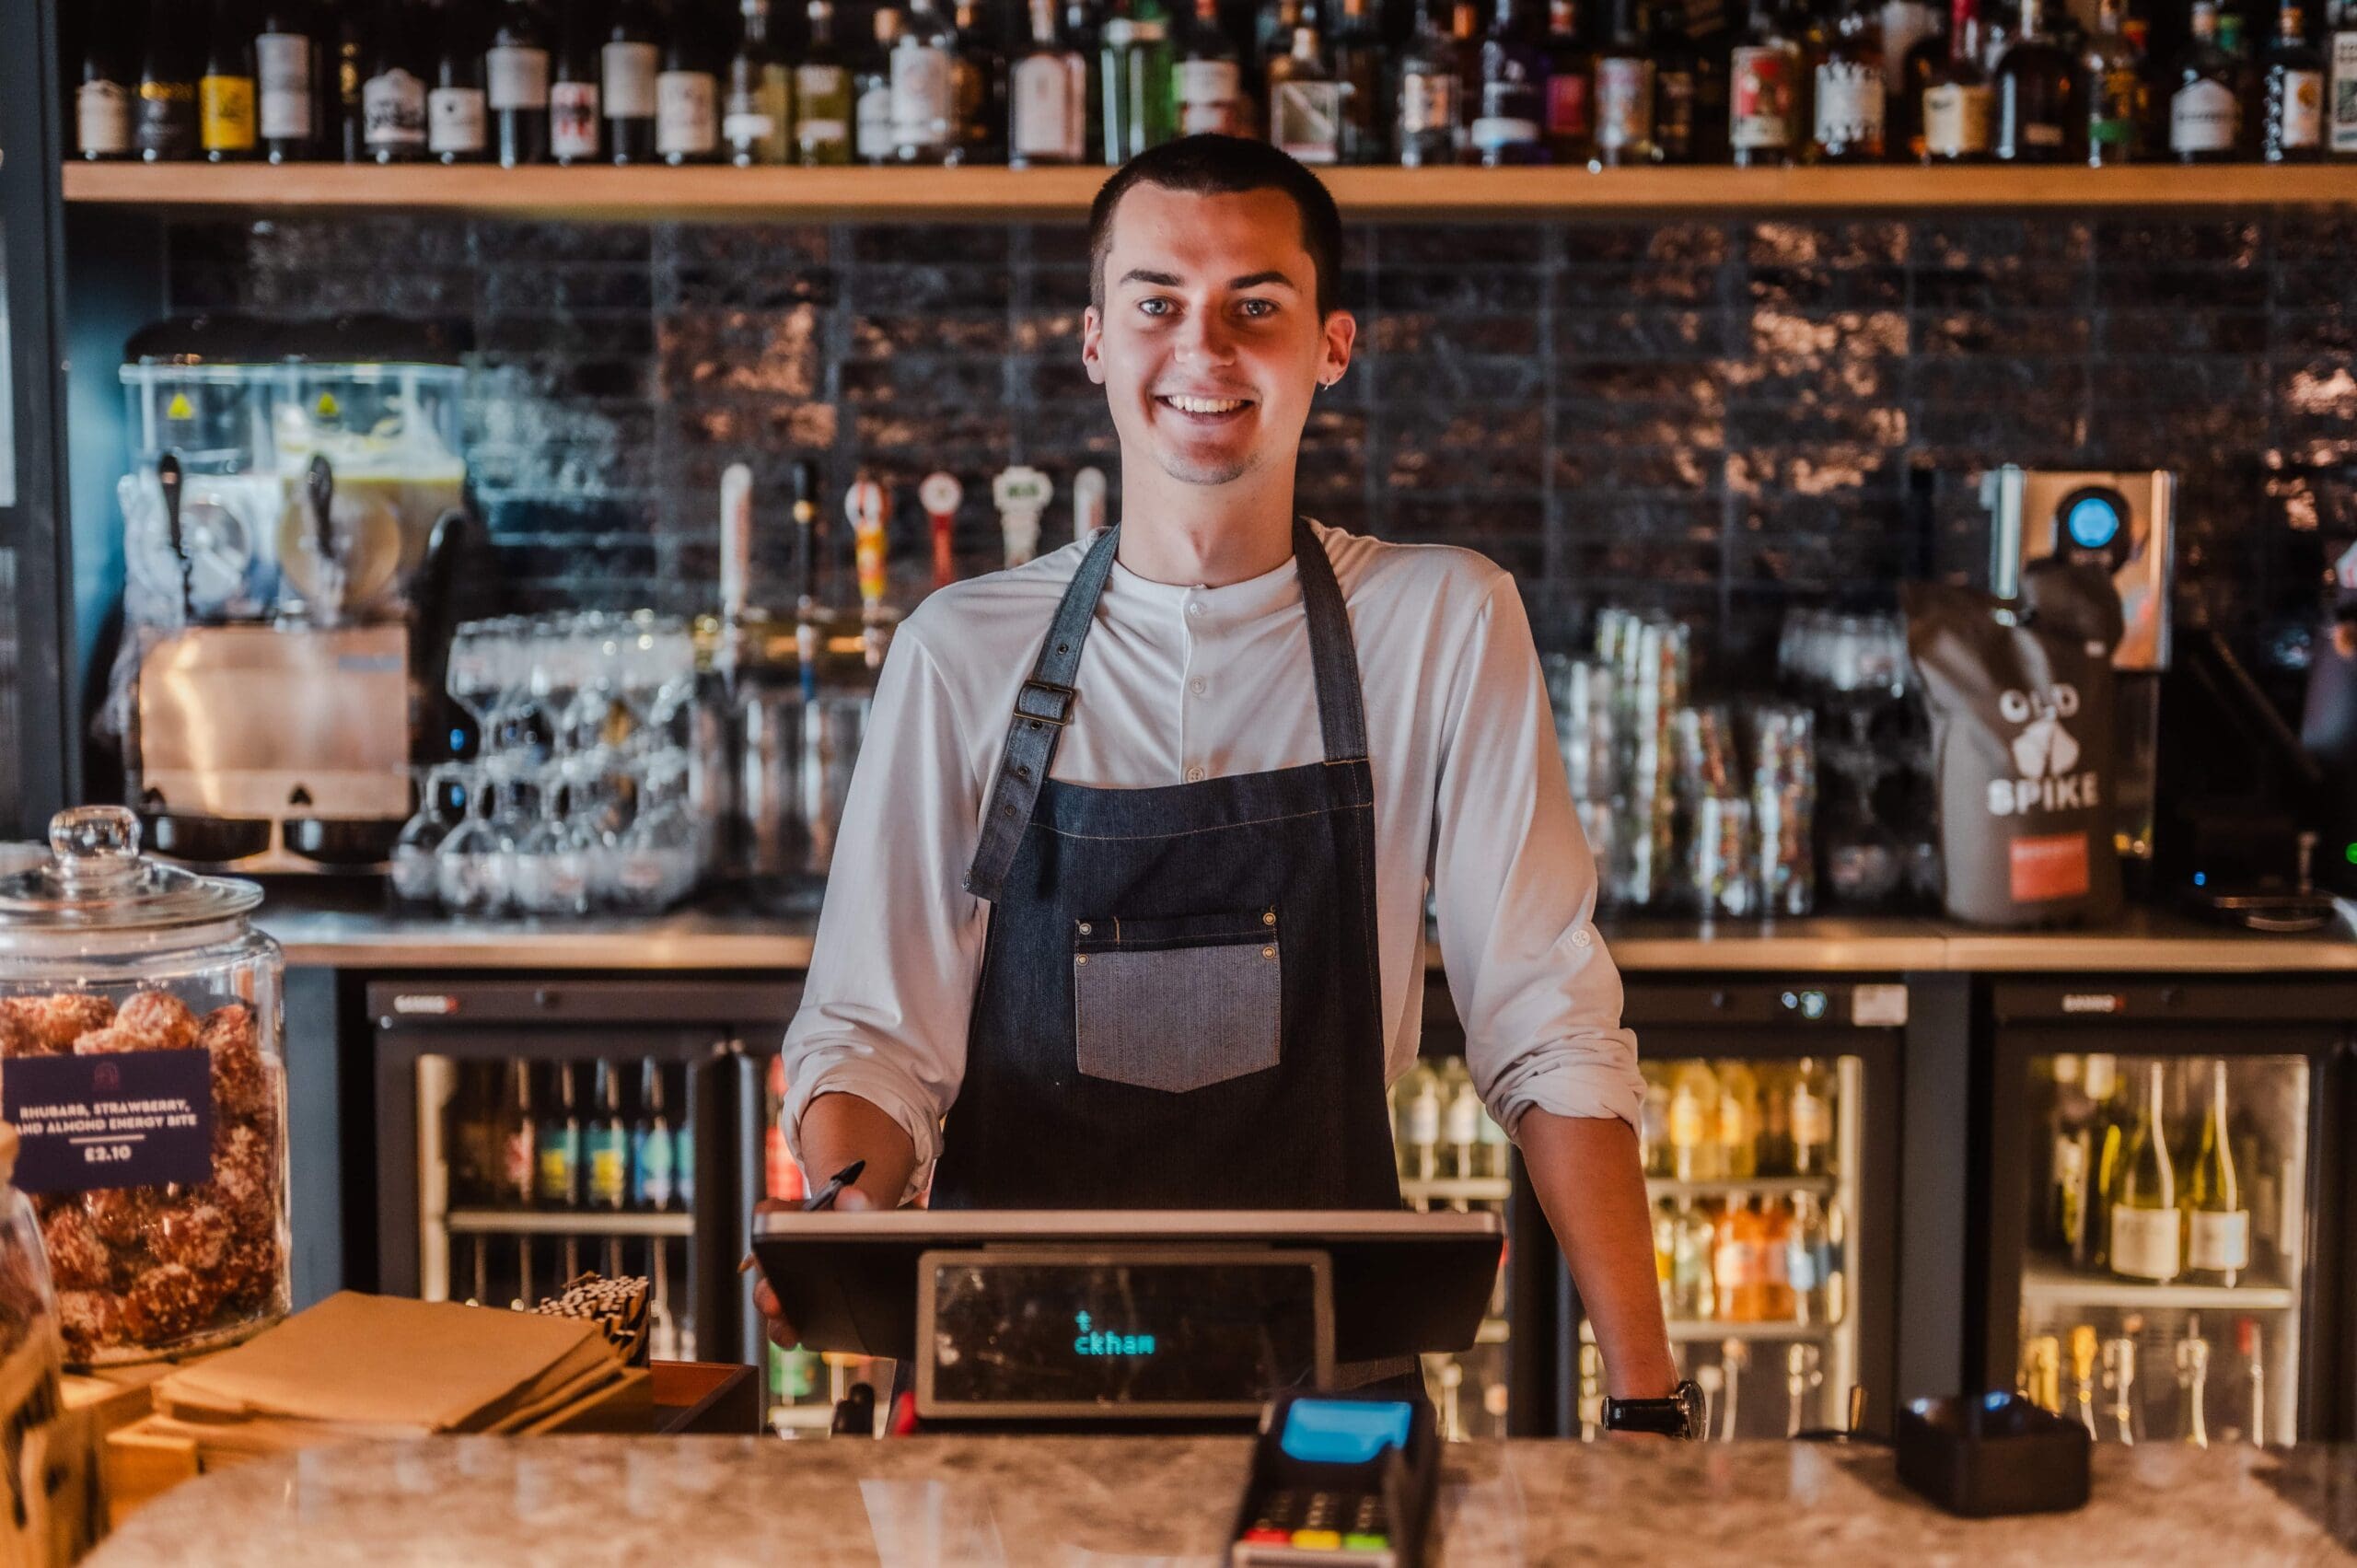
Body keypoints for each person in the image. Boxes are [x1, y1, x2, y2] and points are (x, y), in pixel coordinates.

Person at [758, 134, 1689, 1433]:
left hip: (1329, 1392)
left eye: (1257, 306)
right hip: (998, 1386)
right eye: (1157, 305)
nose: (1204, 350)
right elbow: (875, 1039)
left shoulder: (1442, 623)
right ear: (1095, 343)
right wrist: (847, 1211)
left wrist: (1649, 1398)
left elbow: (1549, 1029)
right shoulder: (959, 653)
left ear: (1331, 346)